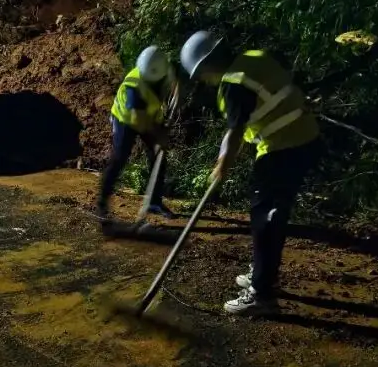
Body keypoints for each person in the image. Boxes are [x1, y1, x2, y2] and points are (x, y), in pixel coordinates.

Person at [179, 30, 321, 317]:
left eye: (200, 75)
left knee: (264, 219)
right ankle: (263, 274)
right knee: (273, 216)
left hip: (283, 147)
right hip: (306, 138)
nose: (203, 81)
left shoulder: (233, 83)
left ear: (207, 66)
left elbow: (235, 132)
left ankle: (261, 294)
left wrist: (221, 167)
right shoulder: (252, 59)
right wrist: (223, 159)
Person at [95, 45, 178, 221]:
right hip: (126, 118)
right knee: (120, 156)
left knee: (159, 155)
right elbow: (138, 120)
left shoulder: (165, 69)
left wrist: (177, 91)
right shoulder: (134, 85)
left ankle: (154, 202)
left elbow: (176, 80)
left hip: (148, 116)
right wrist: (160, 134)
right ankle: (102, 203)